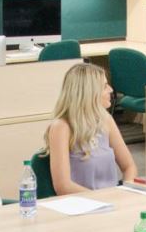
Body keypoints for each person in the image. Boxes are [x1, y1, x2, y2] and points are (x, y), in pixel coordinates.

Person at [44, 63, 136, 194]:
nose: (111, 90)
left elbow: (129, 167)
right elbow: (63, 186)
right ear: (89, 92)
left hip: (111, 199)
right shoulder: (61, 127)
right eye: (104, 86)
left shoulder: (106, 120)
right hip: (83, 202)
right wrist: (102, 199)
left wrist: (126, 190)